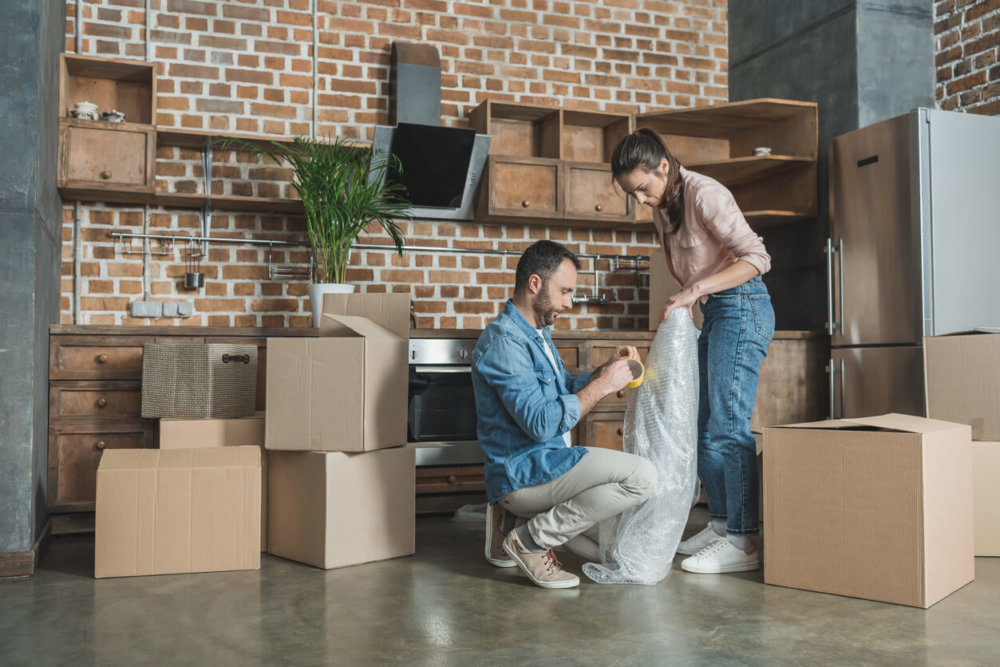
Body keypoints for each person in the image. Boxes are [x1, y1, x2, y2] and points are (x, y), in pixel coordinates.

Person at [611, 128, 775, 574]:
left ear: (663, 166)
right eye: (633, 194)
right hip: (717, 314)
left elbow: (758, 257)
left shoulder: (705, 194)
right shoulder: (665, 208)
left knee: (727, 424)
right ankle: (721, 525)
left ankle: (743, 541)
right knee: (702, 426)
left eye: (643, 188)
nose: (642, 200)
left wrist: (696, 289)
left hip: (744, 308)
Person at [472, 240, 659, 589]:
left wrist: (603, 371)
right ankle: (528, 539)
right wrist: (604, 386)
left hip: (551, 463)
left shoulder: (538, 333)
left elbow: (562, 388)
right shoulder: (505, 344)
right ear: (535, 284)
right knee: (642, 477)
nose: (569, 303)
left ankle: (513, 520)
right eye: (565, 292)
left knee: (610, 554)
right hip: (526, 473)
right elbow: (541, 424)